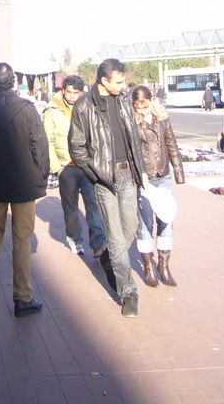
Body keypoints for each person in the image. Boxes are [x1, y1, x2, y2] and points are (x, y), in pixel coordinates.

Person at [0, 62, 49, 317]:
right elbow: (39, 146)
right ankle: (22, 297)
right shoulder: (26, 109)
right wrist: (41, 177)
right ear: (13, 81)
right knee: (22, 238)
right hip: (24, 182)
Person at [68, 58, 147, 318]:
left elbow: (133, 136)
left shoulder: (124, 99)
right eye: (119, 81)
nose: (123, 86)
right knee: (114, 237)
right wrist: (96, 175)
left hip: (128, 175)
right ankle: (128, 293)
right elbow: (77, 147)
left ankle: (108, 259)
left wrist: (141, 170)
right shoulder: (84, 106)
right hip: (104, 180)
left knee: (129, 229)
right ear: (103, 80)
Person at [42, 75, 106, 257]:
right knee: (70, 208)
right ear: (63, 91)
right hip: (66, 168)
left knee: (94, 206)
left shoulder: (89, 107)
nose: (71, 96)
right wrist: (57, 168)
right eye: (68, 92)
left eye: (75, 93)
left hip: (86, 166)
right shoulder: (53, 111)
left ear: (81, 92)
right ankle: (75, 240)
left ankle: (99, 243)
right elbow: (48, 140)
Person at [131, 86, 185, 287]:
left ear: (151, 102)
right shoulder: (131, 123)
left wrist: (179, 173)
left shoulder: (162, 119)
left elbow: (171, 144)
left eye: (145, 104)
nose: (142, 109)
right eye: (138, 105)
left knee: (167, 219)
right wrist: (138, 174)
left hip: (162, 175)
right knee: (145, 223)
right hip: (143, 179)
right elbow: (130, 153)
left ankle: (164, 266)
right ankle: (148, 267)